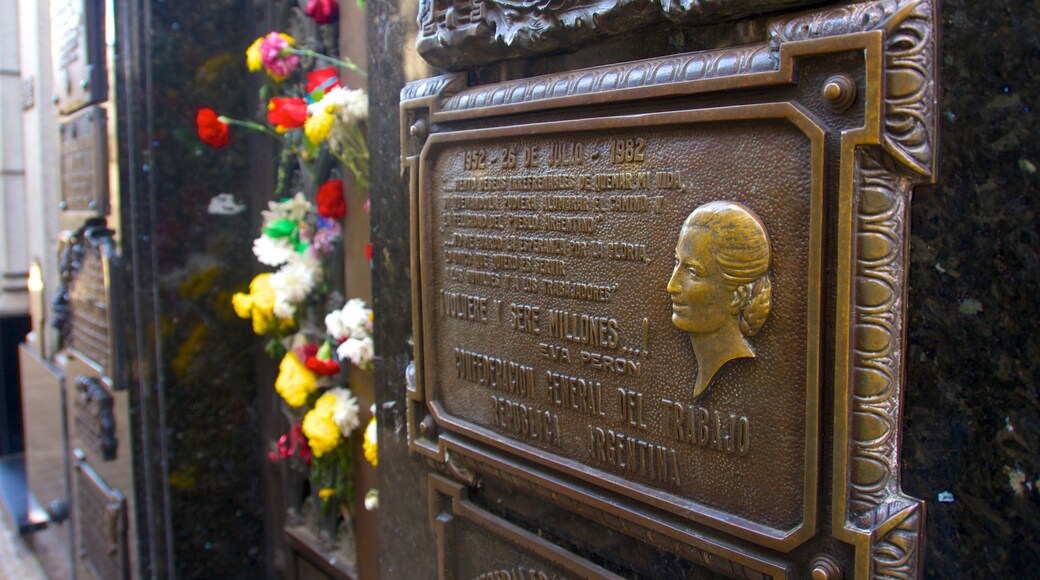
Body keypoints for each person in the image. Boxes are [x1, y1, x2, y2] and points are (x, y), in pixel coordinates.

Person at [667, 201, 773, 397]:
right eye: (677, 262)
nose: (672, 285)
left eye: (692, 272)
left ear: (737, 297)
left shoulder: (744, 381)